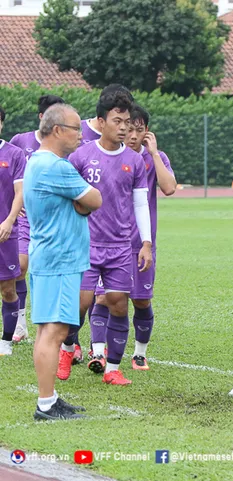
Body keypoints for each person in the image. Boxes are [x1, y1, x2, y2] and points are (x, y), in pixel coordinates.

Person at [60, 91, 152, 386]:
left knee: (118, 304)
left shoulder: (134, 161)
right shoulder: (82, 156)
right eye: (117, 121)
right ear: (101, 122)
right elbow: (66, 196)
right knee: (81, 304)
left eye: (127, 121)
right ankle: (66, 349)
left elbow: (140, 203)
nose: (124, 127)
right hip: (85, 244)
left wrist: (146, 243)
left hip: (120, 247)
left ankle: (113, 368)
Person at [23, 103, 102, 420]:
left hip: (49, 256)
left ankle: (50, 398)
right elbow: (94, 199)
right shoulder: (55, 167)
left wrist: (79, 204)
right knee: (54, 332)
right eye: (75, 129)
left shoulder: (38, 161)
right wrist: (82, 204)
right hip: (59, 259)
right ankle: (46, 404)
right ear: (57, 130)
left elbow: (84, 202)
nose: (81, 136)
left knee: (47, 330)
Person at [9, 95, 66, 346]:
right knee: (20, 267)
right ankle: (20, 324)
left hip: (54, 219)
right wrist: (16, 202)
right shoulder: (20, 141)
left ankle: (60, 331)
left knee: (53, 273)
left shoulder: (65, 144)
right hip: (25, 219)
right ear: (41, 117)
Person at [123, 104, 176, 370]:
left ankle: (140, 353)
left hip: (143, 243)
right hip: (110, 242)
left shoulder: (155, 158)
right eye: (128, 128)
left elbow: (169, 187)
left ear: (146, 131)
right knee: (104, 297)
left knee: (141, 299)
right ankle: (98, 351)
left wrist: (153, 153)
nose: (132, 135)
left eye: (138, 129)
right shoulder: (108, 155)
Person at [0, 106, 26, 356]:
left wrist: (9, 221)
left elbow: (20, 191)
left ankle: (6, 341)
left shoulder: (15, 154)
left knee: (8, 288)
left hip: (5, 233)